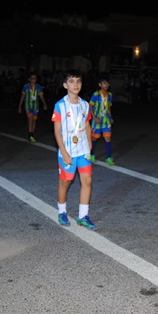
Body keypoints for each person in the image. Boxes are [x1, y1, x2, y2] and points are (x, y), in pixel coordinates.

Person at [52, 69, 97, 230]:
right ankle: (62, 212)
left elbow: (87, 125)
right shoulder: (60, 105)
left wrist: (89, 145)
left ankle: (83, 216)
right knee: (65, 182)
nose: (75, 85)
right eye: (71, 81)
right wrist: (64, 152)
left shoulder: (85, 104)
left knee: (87, 181)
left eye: (78, 81)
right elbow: (57, 131)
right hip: (68, 151)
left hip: (83, 150)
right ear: (65, 85)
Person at [89, 73, 115, 165]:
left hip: (106, 121)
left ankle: (108, 157)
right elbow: (90, 106)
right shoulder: (96, 94)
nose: (106, 85)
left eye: (107, 83)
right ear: (100, 84)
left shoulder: (110, 95)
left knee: (108, 138)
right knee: (94, 138)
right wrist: (94, 117)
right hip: (97, 121)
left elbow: (108, 107)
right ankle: (92, 154)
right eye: (104, 83)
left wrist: (110, 117)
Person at [17, 71, 48, 143]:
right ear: (29, 79)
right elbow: (22, 96)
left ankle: (32, 133)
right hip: (28, 106)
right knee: (30, 119)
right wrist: (19, 106)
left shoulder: (38, 87)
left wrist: (44, 104)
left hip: (36, 106)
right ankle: (30, 135)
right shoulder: (25, 87)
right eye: (32, 78)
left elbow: (41, 96)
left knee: (34, 120)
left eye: (35, 78)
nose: (33, 80)